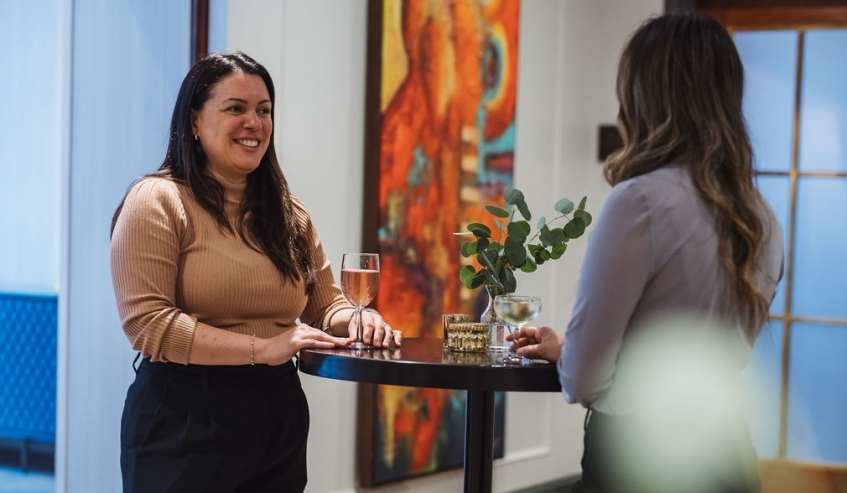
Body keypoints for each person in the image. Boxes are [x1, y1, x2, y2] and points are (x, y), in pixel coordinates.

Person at [508, 13, 784, 493]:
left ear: (645, 97)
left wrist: (572, 355)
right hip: (729, 456)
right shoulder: (761, 217)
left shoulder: (639, 202)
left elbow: (582, 382)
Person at [110, 51, 401, 493]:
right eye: (235, 109)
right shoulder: (157, 201)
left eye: (264, 111)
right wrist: (263, 347)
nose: (255, 123)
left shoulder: (288, 213)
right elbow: (148, 326)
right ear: (193, 121)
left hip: (276, 411)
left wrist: (359, 319)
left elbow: (326, 306)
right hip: (185, 417)